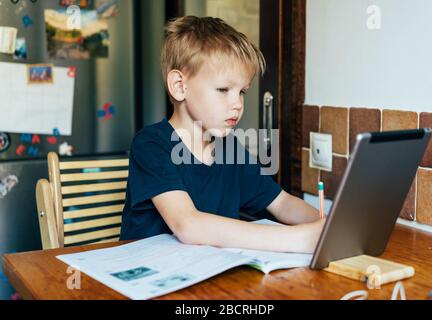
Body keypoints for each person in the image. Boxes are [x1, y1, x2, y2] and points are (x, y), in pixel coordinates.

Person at [120, 16, 325, 253]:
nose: (237, 103)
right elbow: (188, 226)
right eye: (223, 89)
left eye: (242, 92)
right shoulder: (151, 145)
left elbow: (282, 203)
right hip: (151, 278)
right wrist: (297, 240)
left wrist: (329, 226)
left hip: (208, 276)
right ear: (179, 86)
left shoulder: (230, 149)